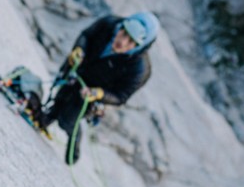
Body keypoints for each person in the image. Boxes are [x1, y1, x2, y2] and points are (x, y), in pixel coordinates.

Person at [39, 12, 159, 165]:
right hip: (78, 68)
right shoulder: (109, 24)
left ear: (139, 46)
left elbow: (121, 96)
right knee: (60, 97)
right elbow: (86, 36)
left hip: (93, 92)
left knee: (68, 120)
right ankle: (47, 118)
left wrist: (99, 94)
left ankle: (74, 148)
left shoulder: (139, 70)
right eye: (124, 33)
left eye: (131, 42)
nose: (122, 42)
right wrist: (79, 49)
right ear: (121, 26)